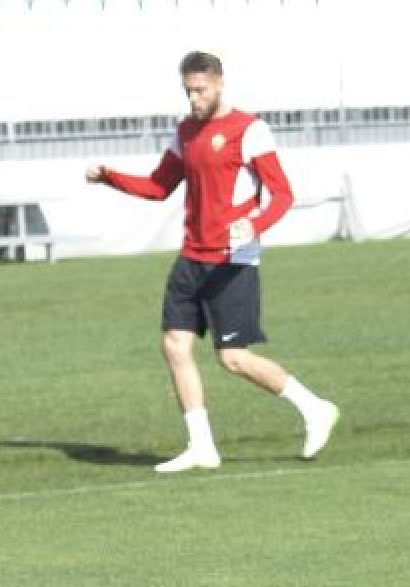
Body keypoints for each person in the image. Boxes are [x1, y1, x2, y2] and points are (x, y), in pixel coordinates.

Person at [85, 51, 338, 473]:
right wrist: (110, 176)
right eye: (188, 91)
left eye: (200, 90)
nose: (194, 98)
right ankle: (201, 446)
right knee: (174, 344)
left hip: (233, 259)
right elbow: (158, 186)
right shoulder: (184, 131)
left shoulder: (250, 130)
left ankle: (314, 408)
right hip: (191, 255)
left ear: (220, 83)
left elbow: (282, 194)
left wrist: (253, 226)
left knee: (232, 357)